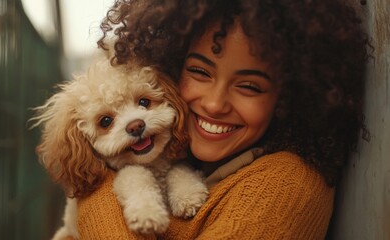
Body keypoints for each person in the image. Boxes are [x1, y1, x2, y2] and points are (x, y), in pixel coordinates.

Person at [74, 0, 370, 239]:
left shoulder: (286, 187)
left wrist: (94, 196)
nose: (215, 104)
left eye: (250, 86)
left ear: (290, 98)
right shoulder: (174, 153)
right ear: (170, 68)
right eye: (200, 72)